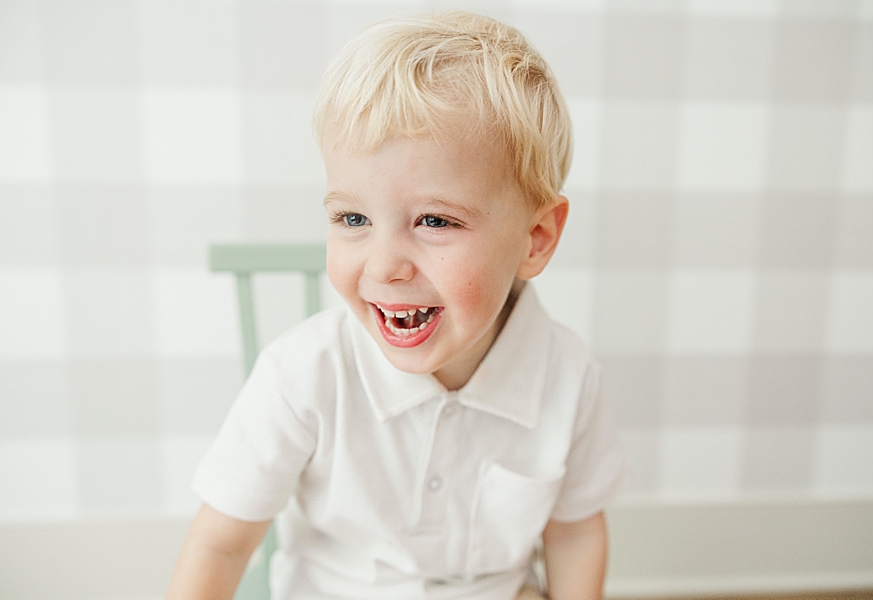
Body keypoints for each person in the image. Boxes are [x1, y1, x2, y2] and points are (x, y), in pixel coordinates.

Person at [166, 11, 626, 600]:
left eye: (434, 220)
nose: (384, 266)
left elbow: (575, 535)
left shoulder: (566, 374)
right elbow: (220, 543)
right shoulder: (304, 374)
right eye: (352, 218)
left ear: (535, 239)